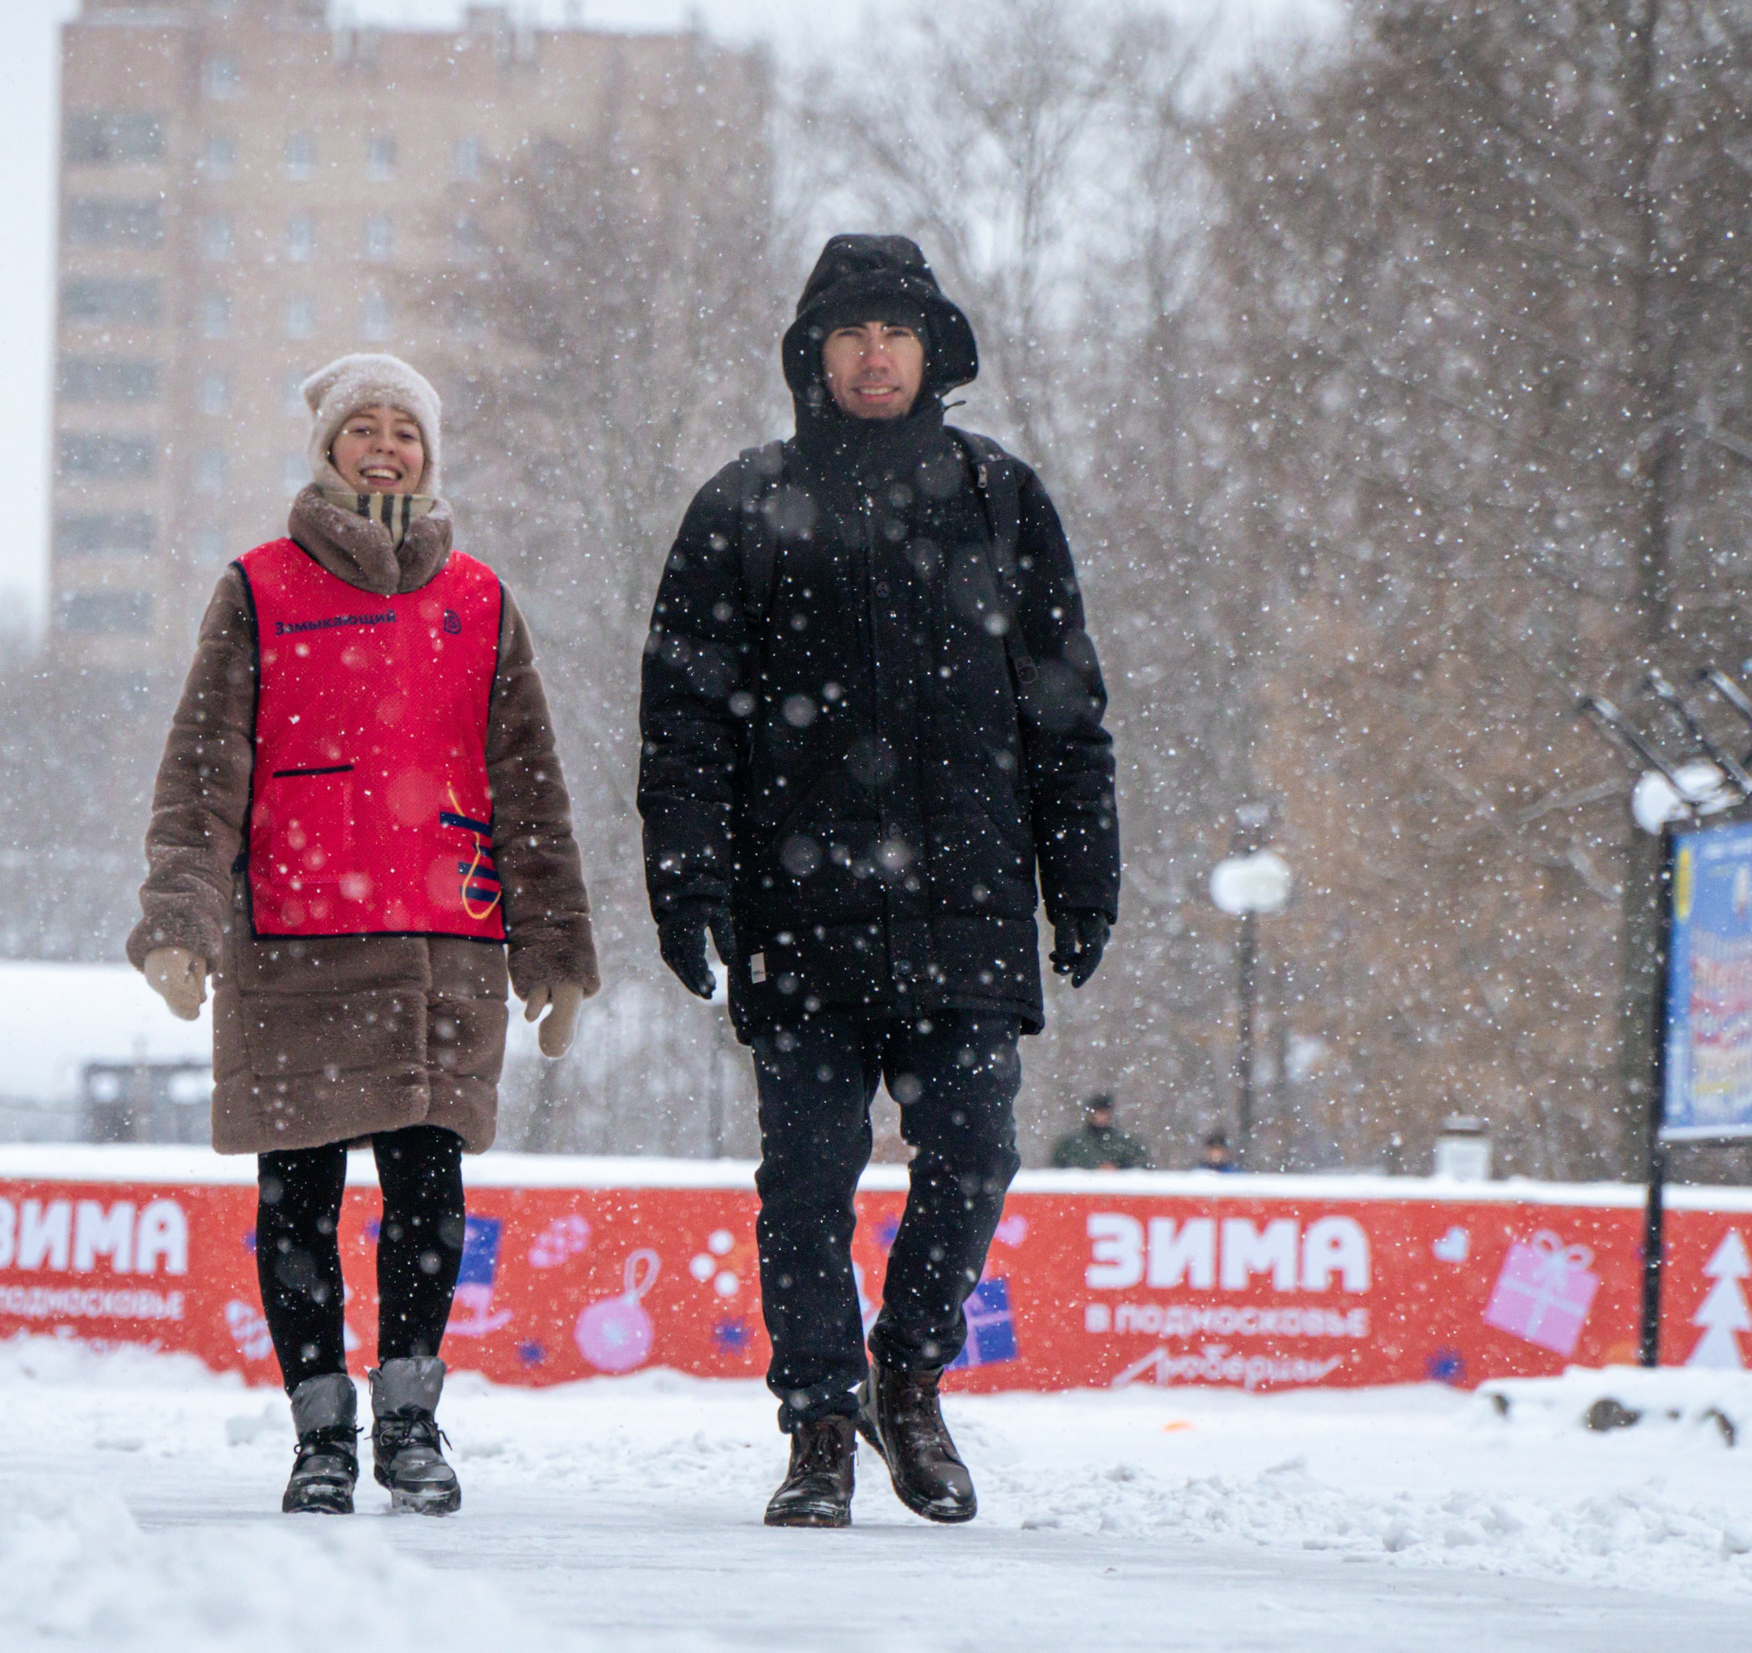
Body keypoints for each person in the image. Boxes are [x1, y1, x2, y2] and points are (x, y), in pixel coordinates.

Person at [639, 234, 1118, 1528]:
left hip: (966, 904)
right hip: (796, 912)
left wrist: (1084, 866)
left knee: (974, 1154)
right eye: (849, 331)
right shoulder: (743, 503)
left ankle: (905, 1373)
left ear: (931, 350)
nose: (873, 350)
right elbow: (683, 718)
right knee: (805, 1179)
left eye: (895, 330)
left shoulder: (1000, 498)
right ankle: (818, 1428)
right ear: (814, 352)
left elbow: (1066, 705)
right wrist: (686, 881)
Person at [129, 352, 598, 1516]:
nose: (386, 446)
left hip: (447, 942)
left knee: (428, 1192)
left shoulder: (481, 601)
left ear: (430, 454)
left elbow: (529, 787)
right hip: (294, 939)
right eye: (365, 428)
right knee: (298, 1195)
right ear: (328, 448)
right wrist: (178, 922)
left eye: (407, 430)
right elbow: (201, 772)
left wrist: (554, 949)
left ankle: (410, 1420)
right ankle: (319, 1435)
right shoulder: (260, 587)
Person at [1050, 1093, 1148, 1171]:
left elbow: (1139, 1170)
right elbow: (1058, 1171)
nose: (1100, 1116)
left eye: (1104, 1112)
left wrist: (1117, 1171)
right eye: (1097, 1112)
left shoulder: (1126, 1143)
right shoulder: (1071, 1144)